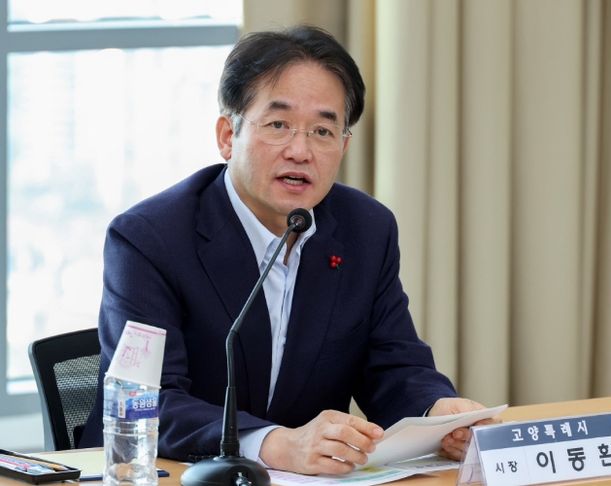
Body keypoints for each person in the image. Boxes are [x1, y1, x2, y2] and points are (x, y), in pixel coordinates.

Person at [80, 25, 493, 475]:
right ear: (227, 135)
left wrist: (438, 412)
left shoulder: (366, 230)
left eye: (323, 130)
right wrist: (274, 444)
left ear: (343, 146)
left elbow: (394, 364)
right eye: (279, 125)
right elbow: (150, 401)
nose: (301, 150)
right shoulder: (149, 238)